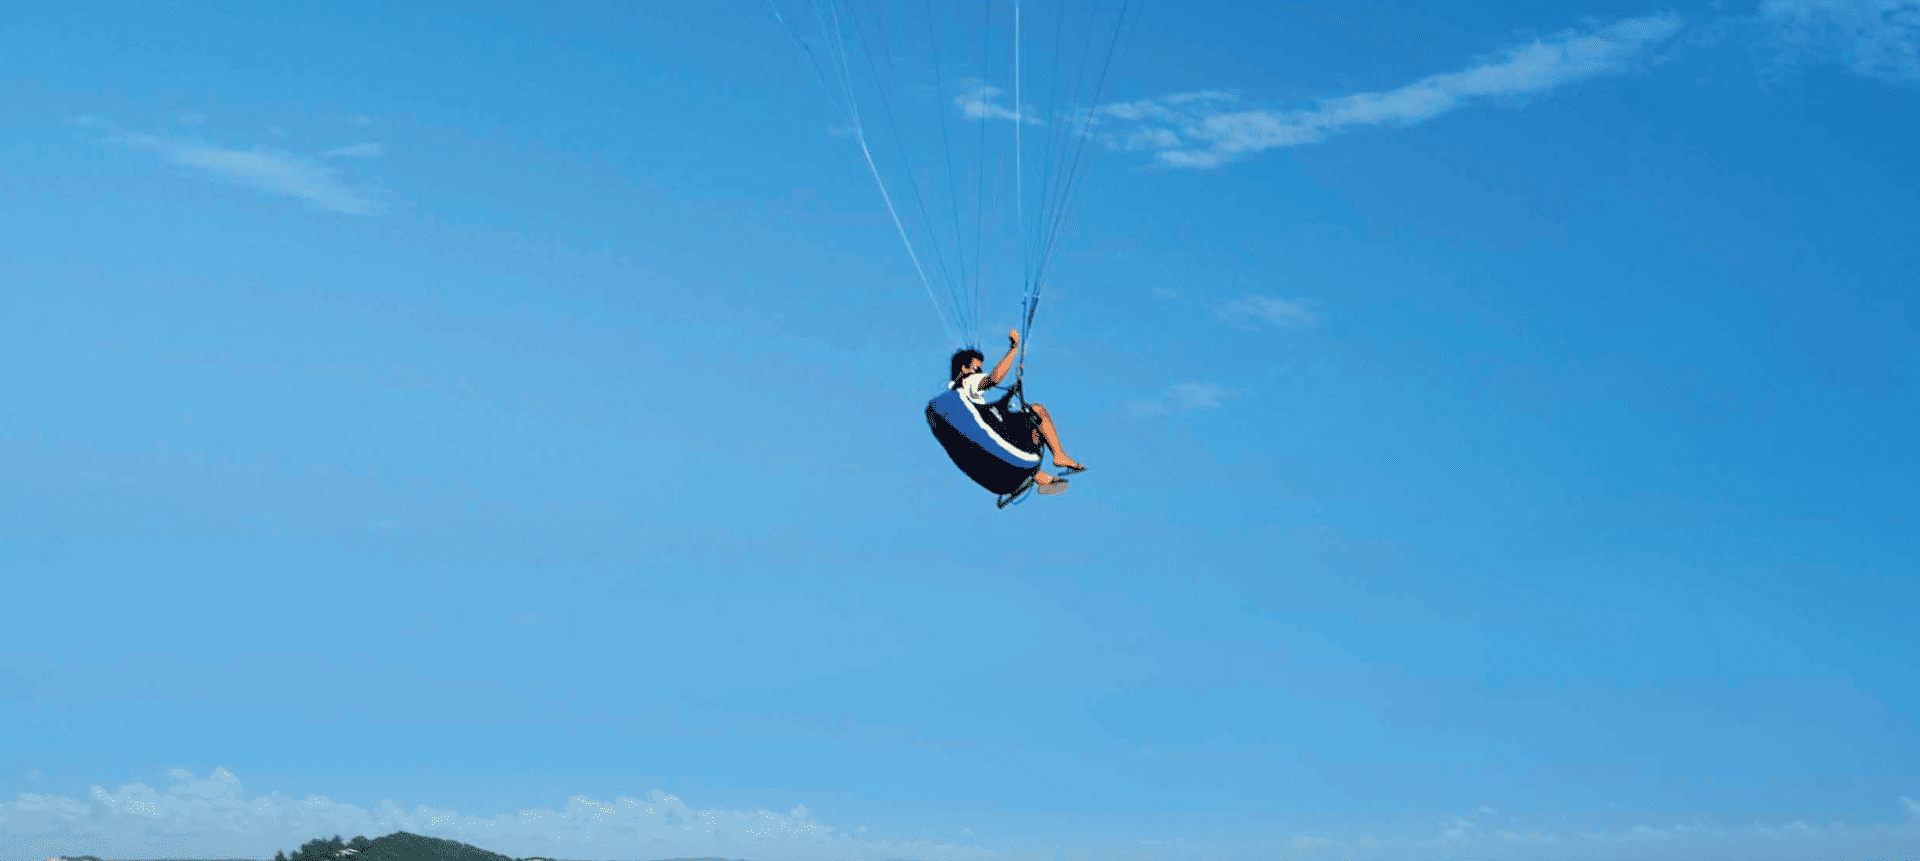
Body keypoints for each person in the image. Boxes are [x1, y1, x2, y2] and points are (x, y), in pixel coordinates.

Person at [948, 330, 1086, 488]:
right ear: (964, 369)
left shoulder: (960, 397)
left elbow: (988, 411)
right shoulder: (966, 382)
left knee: (1026, 426)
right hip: (994, 435)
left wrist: (1009, 395)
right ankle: (1057, 456)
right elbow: (993, 379)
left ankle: (1035, 473)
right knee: (1037, 411)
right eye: (977, 369)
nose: (980, 374)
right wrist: (1014, 349)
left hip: (988, 439)